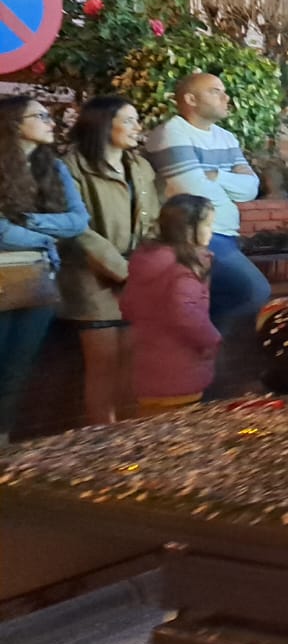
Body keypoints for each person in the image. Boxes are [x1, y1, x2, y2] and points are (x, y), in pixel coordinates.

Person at [60, 95, 160, 425]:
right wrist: (122, 270)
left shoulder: (140, 166)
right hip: (94, 279)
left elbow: (153, 222)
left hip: (138, 276)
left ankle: (132, 442)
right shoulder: (72, 167)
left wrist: (147, 267)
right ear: (104, 123)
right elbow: (75, 230)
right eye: (129, 120)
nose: (137, 128)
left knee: (134, 369)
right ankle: (102, 446)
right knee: (102, 369)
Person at [143, 73, 271, 326]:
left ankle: (205, 354)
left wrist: (217, 176)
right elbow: (194, 193)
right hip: (193, 239)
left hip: (225, 236)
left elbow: (251, 188)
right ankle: (205, 350)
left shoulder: (226, 137)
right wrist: (225, 181)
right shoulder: (171, 133)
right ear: (191, 99)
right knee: (255, 291)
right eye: (215, 91)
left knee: (213, 305)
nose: (226, 97)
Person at [0, 96, 89, 439]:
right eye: (40, 116)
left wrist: (29, 222)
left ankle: (4, 446)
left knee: (17, 372)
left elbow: (78, 222)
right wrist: (46, 235)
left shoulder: (54, 167)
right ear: (13, 124)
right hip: (8, 274)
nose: (51, 122)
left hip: (39, 278)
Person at [121, 196, 222, 416]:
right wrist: (212, 340)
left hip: (147, 369)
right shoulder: (185, 268)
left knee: (151, 430)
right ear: (188, 229)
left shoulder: (144, 263)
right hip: (181, 370)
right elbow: (186, 314)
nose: (212, 231)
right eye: (208, 224)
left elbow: (127, 305)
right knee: (180, 438)